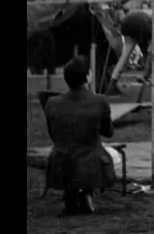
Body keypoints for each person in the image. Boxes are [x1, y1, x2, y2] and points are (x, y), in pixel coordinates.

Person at [43, 56, 118, 215]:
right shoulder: (99, 101)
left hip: (59, 162)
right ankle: (84, 192)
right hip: (91, 163)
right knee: (110, 153)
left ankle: (73, 194)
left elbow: (53, 134)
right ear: (88, 76)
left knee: (74, 150)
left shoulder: (52, 103)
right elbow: (109, 132)